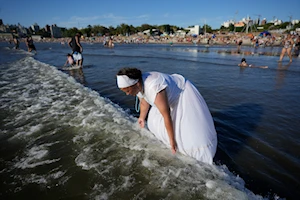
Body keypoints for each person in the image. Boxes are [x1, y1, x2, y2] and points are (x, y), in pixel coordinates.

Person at [116, 68, 218, 164]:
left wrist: (172, 142)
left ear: (136, 84)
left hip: (182, 94)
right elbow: (143, 100)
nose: (127, 94)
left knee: (188, 132)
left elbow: (166, 116)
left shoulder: (154, 88)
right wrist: (142, 117)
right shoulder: (138, 85)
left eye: (127, 91)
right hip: (166, 96)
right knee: (155, 123)